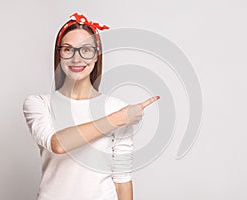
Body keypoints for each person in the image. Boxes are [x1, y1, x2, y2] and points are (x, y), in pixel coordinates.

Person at [23, 12, 160, 200]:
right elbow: (58, 144)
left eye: (86, 50)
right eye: (68, 49)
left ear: (97, 56)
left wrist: (120, 116)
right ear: (59, 54)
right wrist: (118, 119)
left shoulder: (117, 107)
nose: (76, 58)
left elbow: (122, 179)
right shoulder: (38, 104)